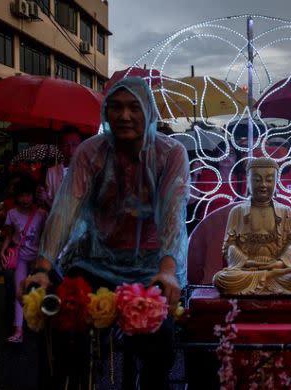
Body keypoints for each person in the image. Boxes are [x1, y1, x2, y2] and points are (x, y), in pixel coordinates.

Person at [23, 77, 189, 389]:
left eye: (133, 108)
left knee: (160, 341)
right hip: (95, 262)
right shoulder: (91, 151)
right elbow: (65, 209)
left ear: (148, 112)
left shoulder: (170, 153)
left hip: (152, 267)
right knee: (59, 321)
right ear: (107, 113)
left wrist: (168, 270)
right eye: (116, 107)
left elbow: (173, 214)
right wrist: (43, 267)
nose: (124, 116)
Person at [213, 157, 291, 296]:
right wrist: (247, 262)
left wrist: (280, 263)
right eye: (257, 180)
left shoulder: (285, 211)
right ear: (247, 182)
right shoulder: (237, 212)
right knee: (221, 280)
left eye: (269, 180)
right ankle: (268, 284)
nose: (263, 184)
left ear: (276, 182)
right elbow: (229, 246)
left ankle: (265, 283)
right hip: (246, 270)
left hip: (277, 270)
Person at [0, 175, 47, 343]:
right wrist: (4, 249)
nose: (25, 199)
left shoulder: (41, 214)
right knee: (19, 292)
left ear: (33, 195)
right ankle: (18, 330)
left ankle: (40, 324)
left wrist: (46, 201)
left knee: (38, 291)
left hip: (37, 259)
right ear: (16, 197)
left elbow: (48, 235)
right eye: (21, 195)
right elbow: (10, 233)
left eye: (28, 195)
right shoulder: (12, 214)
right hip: (20, 258)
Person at [37, 127, 82, 208]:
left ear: (81, 146)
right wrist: (43, 197)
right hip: (57, 219)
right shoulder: (52, 172)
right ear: (60, 147)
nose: (70, 150)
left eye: (74, 145)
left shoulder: (87, 171)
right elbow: (48, 203)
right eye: (65, 145)